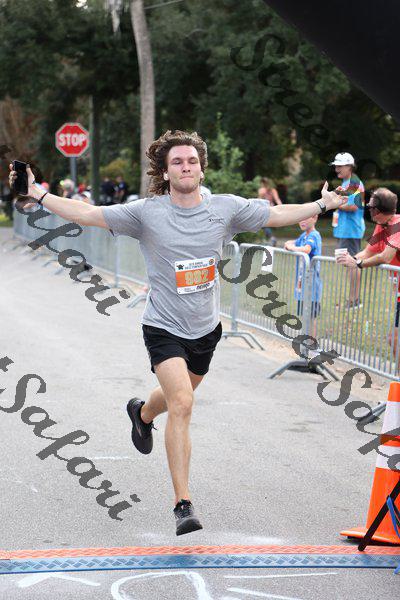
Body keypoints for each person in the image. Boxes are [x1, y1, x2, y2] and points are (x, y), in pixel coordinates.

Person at [9, 130, 347, 536]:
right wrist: (37, 193)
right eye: (177, 162)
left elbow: (275, 215)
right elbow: (87, 214)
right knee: (183, 403)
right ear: (165, 172)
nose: (185, 167)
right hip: (163, 326)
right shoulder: (146, 213)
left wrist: (322, 204)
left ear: (201, 169)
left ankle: (142, 413)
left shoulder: (225, 208)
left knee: (174, 398)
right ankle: (183, 504)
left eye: (191, 161)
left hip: (205, 329)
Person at [336, 187, 400, 370]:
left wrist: (358, 264)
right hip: (399, 294)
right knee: (394, 340)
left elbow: (385, 257)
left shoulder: (397, 225)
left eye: (372, 207)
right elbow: (368, 251)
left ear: (379, 210)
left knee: (394, 339)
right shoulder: (382, 225)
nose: (369, 210)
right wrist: (350, 259)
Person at [330, 152, 365, 308]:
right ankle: (352, 299)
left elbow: (354, 206)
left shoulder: (355, 183)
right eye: (336, 166)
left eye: (340, 166)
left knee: (352, 263)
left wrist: (335, 203)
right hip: (344, 230)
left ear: (349, 166)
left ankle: (354, 300)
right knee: (347, 263)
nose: (337, 169)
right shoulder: (346, 183)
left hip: (351, 231)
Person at [284, 215, 322, 339]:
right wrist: (289, 244)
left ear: (315, 218)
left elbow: (306, 249)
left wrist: (291, 248)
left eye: (306, 218)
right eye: (300, 218)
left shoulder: (314, 235)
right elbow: (291, 243)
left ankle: (312, 343)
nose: (302, 221)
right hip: (302, 284)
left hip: (312, 285)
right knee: (304, 315)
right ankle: (305, 340)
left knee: (311, 317)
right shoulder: (304, 235)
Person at [258, 177, 282, 246]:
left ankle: (271, 238)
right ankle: (270, 239)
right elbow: (259, 199)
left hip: (268, 209)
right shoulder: (263, 190)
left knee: (264, 224)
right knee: (264, 225)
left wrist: (281, 207)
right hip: (266, 209)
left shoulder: (271, 190)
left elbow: (277, 199)